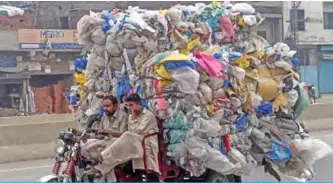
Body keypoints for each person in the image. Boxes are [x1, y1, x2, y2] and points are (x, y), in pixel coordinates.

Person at [92, 93, 160, 180]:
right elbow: (131, 131)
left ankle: (102, 156)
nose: (130, 108)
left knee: (127, 135)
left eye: (131, 105)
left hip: (145, 141)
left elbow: (137, 131)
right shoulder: (131, 115)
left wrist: (134, 117)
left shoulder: (148, 115)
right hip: (135, 141)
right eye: (128, 106)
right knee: (116, 144)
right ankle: (100, 168)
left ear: (138, 103)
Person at [81, 94, 129, 180]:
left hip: (117, 145)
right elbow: (100, 135)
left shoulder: (123, 117)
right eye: (104, 106)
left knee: (104, 157)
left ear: (115, 106)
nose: (105, 108)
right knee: (87, 148)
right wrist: (90, 136)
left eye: (107, 106)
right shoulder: (104, 116)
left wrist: (111, 133)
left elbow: (124, 136)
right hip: (105, 143)